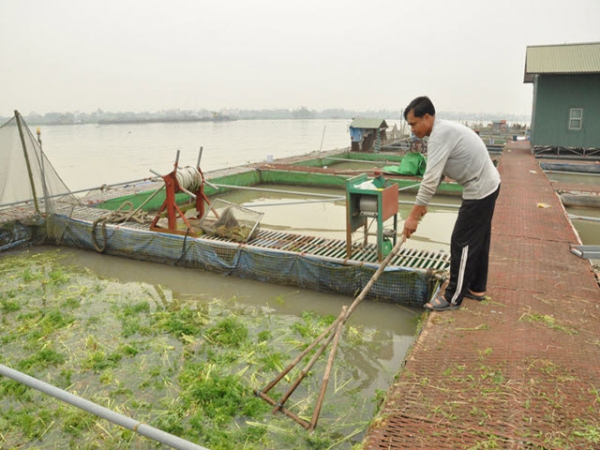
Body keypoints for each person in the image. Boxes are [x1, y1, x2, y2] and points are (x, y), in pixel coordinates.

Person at [402, 96, 501, 311]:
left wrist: (412, 216)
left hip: (480, 189)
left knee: (462, 241)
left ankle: (452, 297)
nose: (412, 130)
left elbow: (428, 180)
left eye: (413, 124)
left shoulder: (440, 135)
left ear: (427, 117)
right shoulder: (440, 132)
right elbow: (436, 174)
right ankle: (477, 288)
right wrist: (423, 205)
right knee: (479, 240)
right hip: (488, 184)